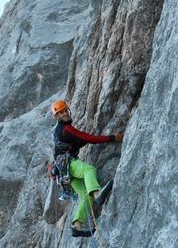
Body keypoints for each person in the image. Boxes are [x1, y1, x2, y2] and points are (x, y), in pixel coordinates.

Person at [50, 100, 124, 237]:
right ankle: (98, 194)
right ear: (57, 116)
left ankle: (76, 226)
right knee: (89, 170)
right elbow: (87, 138)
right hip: (67, 164)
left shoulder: (60, 130)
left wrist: (87, 138)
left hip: (63, 172)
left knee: (85, 196)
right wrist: (113, 137)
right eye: (61, 112)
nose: (65, 113)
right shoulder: (66, 129)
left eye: (66, 110)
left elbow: (76, 143)